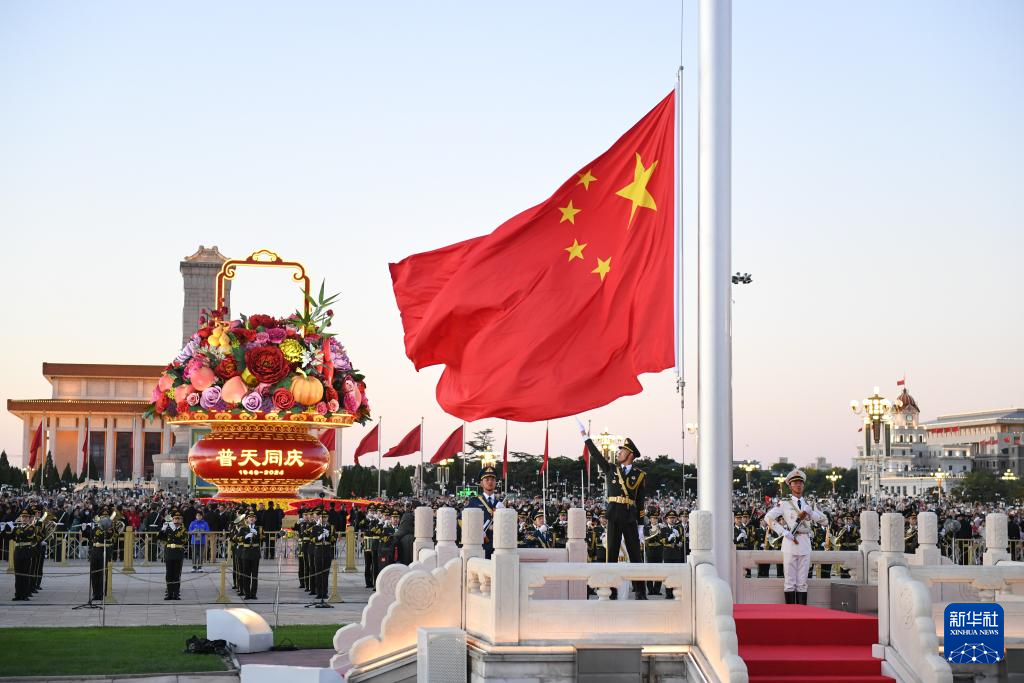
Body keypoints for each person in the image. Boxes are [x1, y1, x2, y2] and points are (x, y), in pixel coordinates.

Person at [580, 424, 648, 599]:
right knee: (611, 554)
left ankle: (640, 591)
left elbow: (640, 502)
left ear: (630, 454)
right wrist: (586, 438)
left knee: (635, 556)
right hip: (614, 515)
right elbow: (596, 455)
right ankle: (611, 590)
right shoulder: (611, 469)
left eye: (622, 451)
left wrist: (641, 526)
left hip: (630, 517)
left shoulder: (639, 475)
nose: (618, 453)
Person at [764, 468, 827, 605]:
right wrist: (783, 532)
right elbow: (768, 517)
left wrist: (812, 514)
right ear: (790, 486)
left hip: (805, 543)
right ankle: (790, 613)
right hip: (790, 542)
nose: (798, 485)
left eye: (800, 483)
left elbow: (825, 521)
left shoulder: (809, 504)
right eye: (795, 483)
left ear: (803, 485)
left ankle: (802, 612)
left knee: (802, 582)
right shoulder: (785, 503)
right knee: (790, 582)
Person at [464, 465, 504, 558]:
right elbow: (462, 521)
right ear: (481, 483)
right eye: (487, 479)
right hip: (480, 546)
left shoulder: (500, 504)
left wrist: (503, 512)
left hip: (498, 546)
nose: (490, 482)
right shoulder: (474, 502)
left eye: (493, 479)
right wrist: (476, 531)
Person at [84, 506, 120, 603]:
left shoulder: (110, 528)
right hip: (95, 550)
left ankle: (104, 592)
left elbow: (107, 536)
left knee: (104, 573)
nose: (104, 518)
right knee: (94, 572)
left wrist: (103, 527)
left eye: (106, 516)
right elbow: (89, 537)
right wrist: (84, 529)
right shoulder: (96, 526)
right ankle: (96, 593)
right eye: (103, 517)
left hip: (105, 549)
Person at [159, 510, 188, 600]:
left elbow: (184, 540)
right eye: (175, 518)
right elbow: (160, 538)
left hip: (178, 552)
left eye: (178, 519)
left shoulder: (183, 529)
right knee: (169, 574)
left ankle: (176, 593)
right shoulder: (168, 528)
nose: (177, 520)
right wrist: (163, 529)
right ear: (172, 519)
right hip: (169, 552)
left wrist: (175, 530)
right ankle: (169, 593)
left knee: (176, 574)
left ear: (181, 520)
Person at [235, 510, 262, 600]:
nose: (251, 519)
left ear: (255, 519)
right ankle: (247, 593)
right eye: (249, 517)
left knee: (254, 575)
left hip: (255, 553)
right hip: (246, 553)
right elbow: (237, 539)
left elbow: (263, 539)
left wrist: (256, 534)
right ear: (247, 519)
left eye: (253, 517)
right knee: (246, 574)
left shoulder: (259, 529)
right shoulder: (243, 529)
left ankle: (253, 594)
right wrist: (245, 537)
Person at [12, 509, 34, 601]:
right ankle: (18, 594)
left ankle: (25, 594)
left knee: (25, 573)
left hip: (26, 551)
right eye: (23, 517)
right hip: (17, 551)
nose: (24, 519)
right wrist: (5, 529)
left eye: (26, 517)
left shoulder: (31, 528)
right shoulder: (17, 528)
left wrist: (16, 530)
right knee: (17, 574)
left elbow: (26, 535)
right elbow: (11, 537)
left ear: (28, 519)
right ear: (20, 518)